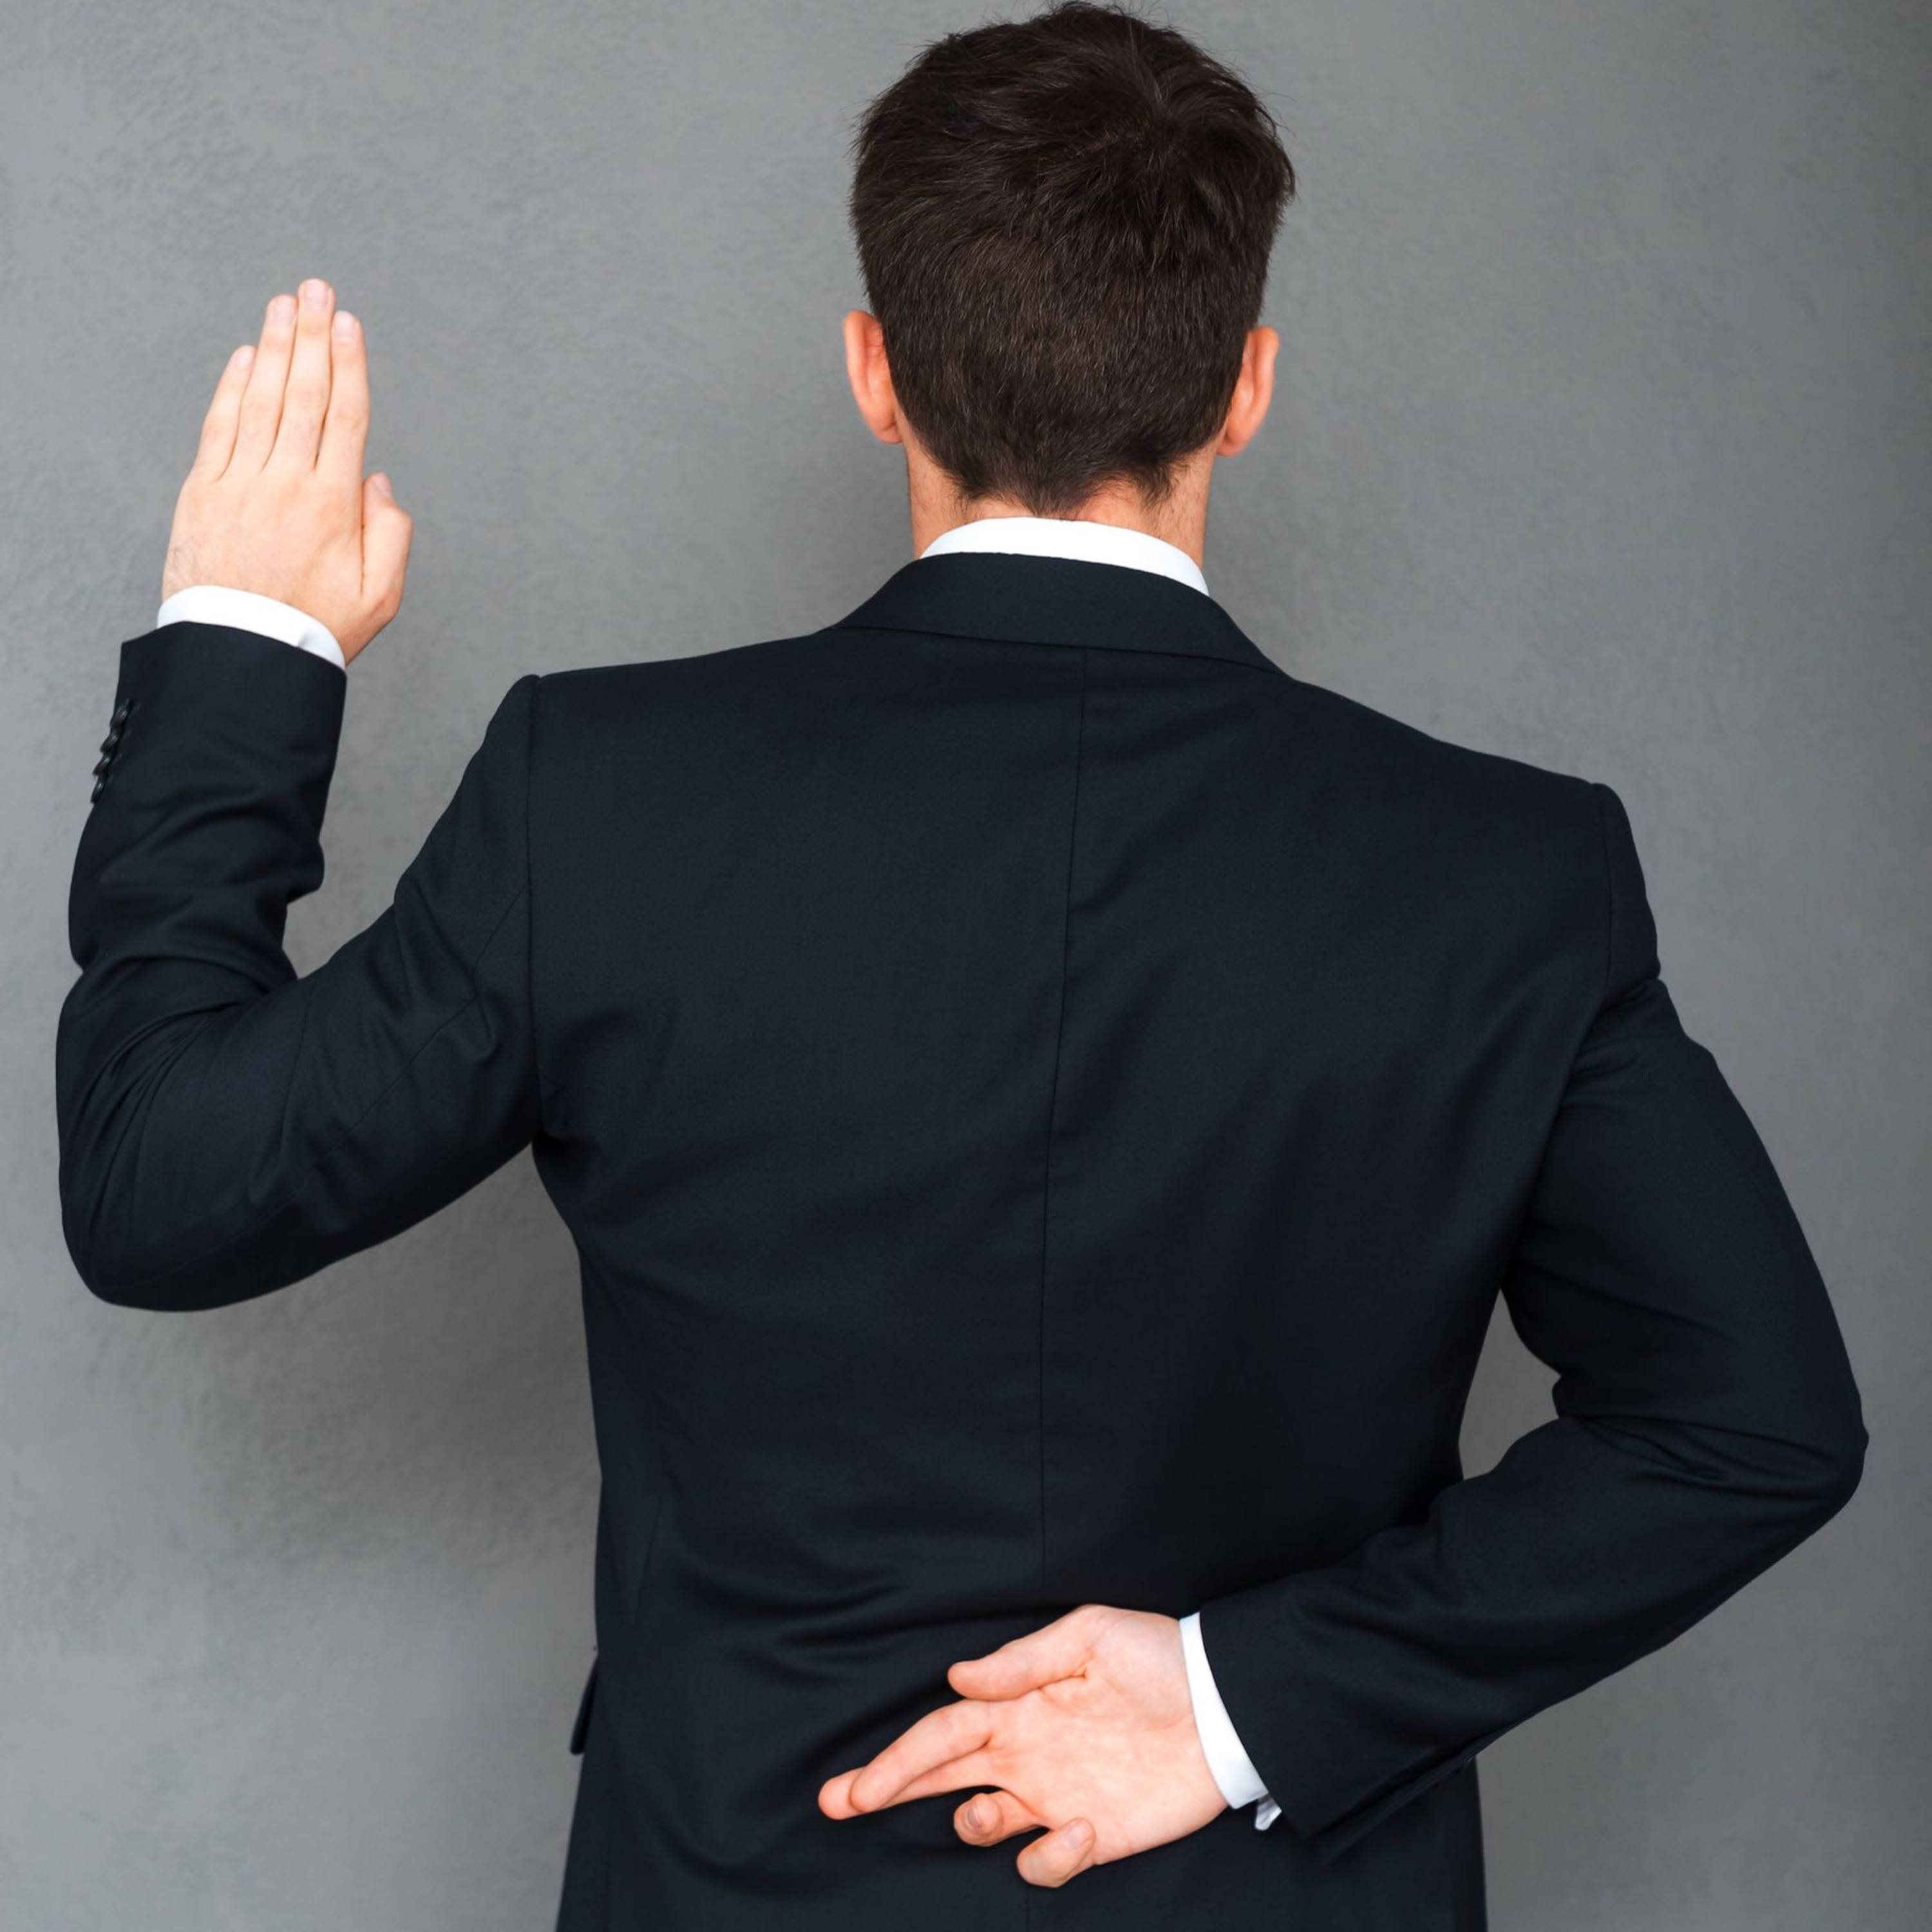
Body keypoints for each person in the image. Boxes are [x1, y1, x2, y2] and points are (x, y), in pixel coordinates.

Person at [55, 6, 1865, 1927]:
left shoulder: (605, 800)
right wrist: (1240, 1707)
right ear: (1247, 387)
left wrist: (248, 642)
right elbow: (1747, 1422)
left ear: (873, 371)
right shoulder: (1510, 876)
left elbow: (164, 1183)